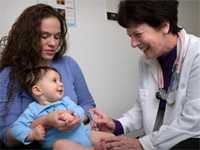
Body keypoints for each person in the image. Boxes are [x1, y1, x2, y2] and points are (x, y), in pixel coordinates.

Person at [91, 0, 200, 150]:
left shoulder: (196, 54)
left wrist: (143, 144)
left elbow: (193, 122)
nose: (133, 44)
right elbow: (142, 109)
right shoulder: (147, 61)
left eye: (138, 34)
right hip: (157, 141)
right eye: (130, 36)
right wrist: (116, 125)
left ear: (165, 26)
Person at [0, 3, 96, 148]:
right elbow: (6, 135)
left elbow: (88, 104)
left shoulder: (69, 64)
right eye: (44, 36)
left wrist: (76, 118)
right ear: (27, 37)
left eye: (57, 37)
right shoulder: (10, 74)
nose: (53, 43)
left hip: (79, 136)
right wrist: (45, 122)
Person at [11, 66, 114, 149]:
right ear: (37, 90)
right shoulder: (33, 109)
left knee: (111, 138)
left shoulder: (65, 101)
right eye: (55, 80)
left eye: (60, 80)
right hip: (61, 144)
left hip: (84, 135)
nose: (60, 84)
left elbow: (80, 110)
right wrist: (32, 134)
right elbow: (16, 128)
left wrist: (73, 114)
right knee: (61, 145)